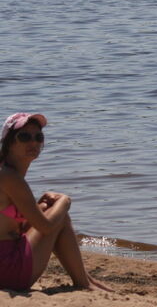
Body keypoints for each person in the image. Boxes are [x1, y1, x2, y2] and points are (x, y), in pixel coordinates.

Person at [0, 113, 113, 292]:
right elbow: (45, 227)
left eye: (39, 137)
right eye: (24, 137)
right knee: (59, 214)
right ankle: (84, 282)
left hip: (6, 260)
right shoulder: (9, 177)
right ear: (9, 142)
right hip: (8, 271)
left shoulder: (6, 171)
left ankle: (86, 279)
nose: (34, 143)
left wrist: (43, 206)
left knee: (48, 208)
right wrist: (65, 201)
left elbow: (11, 225)